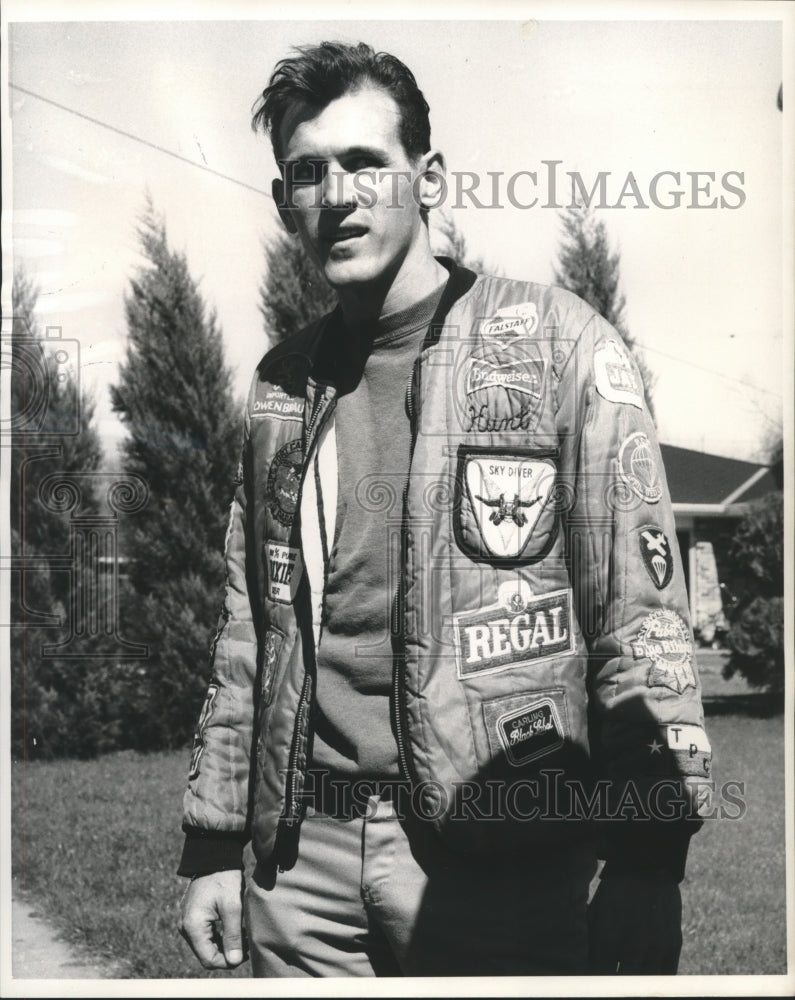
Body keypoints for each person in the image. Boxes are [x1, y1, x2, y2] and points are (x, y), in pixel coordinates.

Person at [177, 41, 711, 978]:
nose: (336, 194)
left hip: (499, 862)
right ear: (283, 202)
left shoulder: (559, 345)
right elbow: (248, 631)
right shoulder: (279, 387)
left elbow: (639, 622)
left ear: (427, 180)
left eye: (364, 164)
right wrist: (217, 845)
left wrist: (646, 863)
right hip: (298, 867)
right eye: (307, 172)